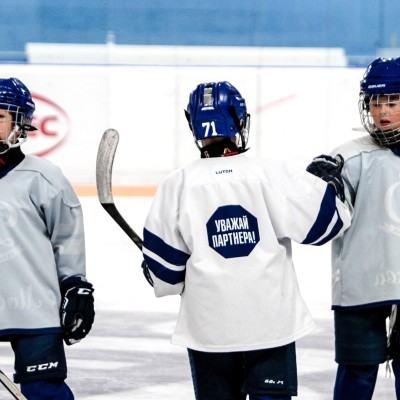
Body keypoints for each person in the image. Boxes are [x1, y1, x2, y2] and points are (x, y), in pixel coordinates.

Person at [141, 81, 351, 399]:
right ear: (238, 119)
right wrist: (327, 186)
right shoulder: (269, 174)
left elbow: (166, 275)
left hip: (208, 331)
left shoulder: (178, 184)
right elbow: (327, 224)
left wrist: (153, 267)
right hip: (271, 326)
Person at [306, 57, 400, 400]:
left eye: (391, 100)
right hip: (361, 287)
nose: (381, 111)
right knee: (357, 373)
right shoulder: (347, 158)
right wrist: (318, 194)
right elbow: (317, 231)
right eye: (375, 102)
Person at [0, 77, 95, 399]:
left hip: (33, 306)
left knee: (44, 389)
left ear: (21, 123)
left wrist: (75, 284)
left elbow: (66, 237)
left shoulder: (43, 176)